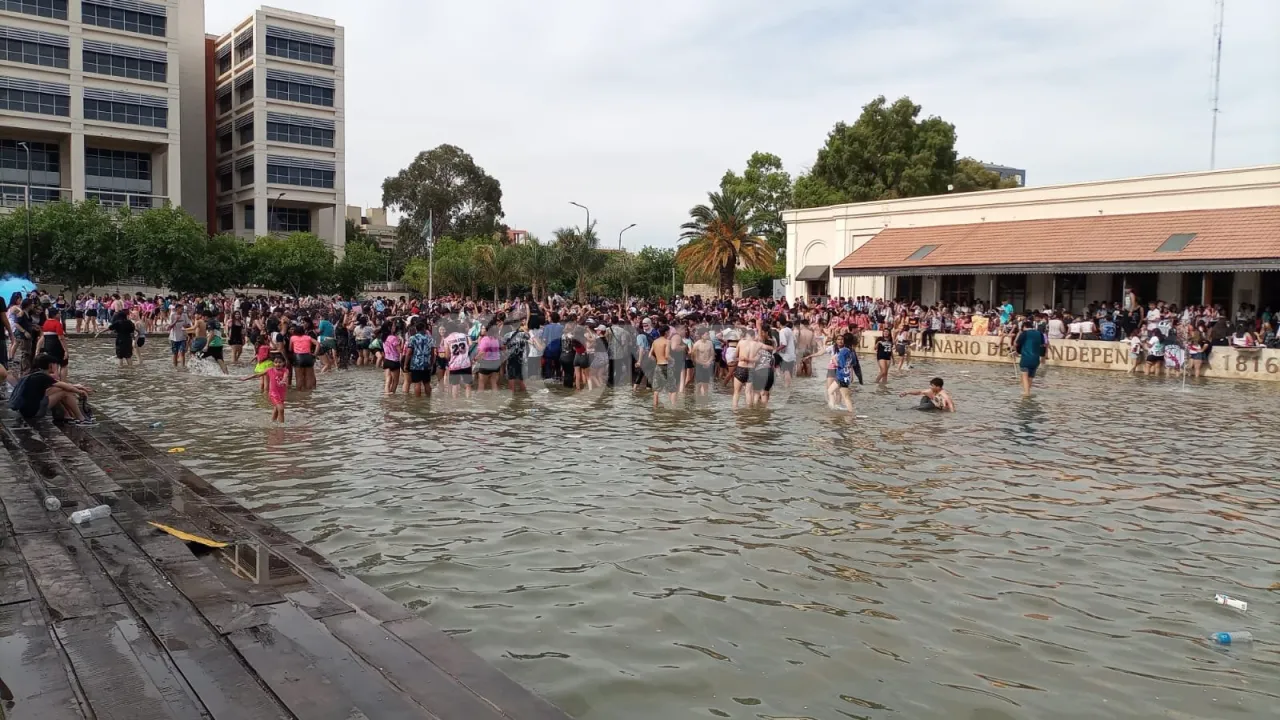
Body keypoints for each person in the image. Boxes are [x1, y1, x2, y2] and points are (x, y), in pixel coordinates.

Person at [9, 354, 93, 424]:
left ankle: (65, 416)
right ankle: (82, 419)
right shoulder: (43, 377)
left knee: (60, 389)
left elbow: (60, 385)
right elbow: (64, 386)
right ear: (50, 365)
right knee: (65, 393)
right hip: (34, 412)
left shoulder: (33, 374)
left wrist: (77, 387)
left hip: (25, 411)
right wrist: (80, 392)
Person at [241, 355, 288, 423]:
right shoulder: (270, 370)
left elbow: (285, 376)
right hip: (273, 393)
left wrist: (283, 380)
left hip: (282, 393)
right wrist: (246, 378)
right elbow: (258, 375)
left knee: (276, 408)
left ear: (284, 363)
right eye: (276, 362)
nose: (277, 364)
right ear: (273, 363)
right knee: (281, 409)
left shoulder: (285, 370)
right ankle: (281, 427)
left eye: (280, 362)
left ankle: (272, 422)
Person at [1013, 320, 1044, 397]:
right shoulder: (1040, 334)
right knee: (1030, 377)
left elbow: (1016, 343)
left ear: (1024, 327)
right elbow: (1043, 345)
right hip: (1036, 359)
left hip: (1026, 358)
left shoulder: (1024, 333)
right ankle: (1027, 391)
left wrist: (1016, 352)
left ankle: (1026, 393)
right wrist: (1042, 357)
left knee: (1024, 376)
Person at [405, 319, 435, 396]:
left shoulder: (412, 338)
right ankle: (428, 400)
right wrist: (431, 363)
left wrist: (405, 364)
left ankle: (418, 402)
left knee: (417, 384)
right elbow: (432, 353)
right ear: (424, 328)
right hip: (426, 364)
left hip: (416, 364)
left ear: (416, 329)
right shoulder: (430, 338)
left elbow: (408, 353)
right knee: (427, 383)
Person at [830, 331, 857, 413]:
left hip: (842, 376)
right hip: (844, 375)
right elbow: (853, 363)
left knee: (846, 397)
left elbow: (840, 364)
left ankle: (851, 413)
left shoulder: (843, 351)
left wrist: (834, 360)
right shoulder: (851, 351)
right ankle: (832, 408)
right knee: (830, 391)